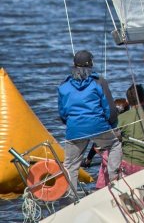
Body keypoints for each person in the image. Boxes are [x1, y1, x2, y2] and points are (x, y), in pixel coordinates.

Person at [57, 50, 122, 195]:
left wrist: (72, 124)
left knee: (70, 164)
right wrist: (112, 125)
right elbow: (110, 109)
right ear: (91, 65)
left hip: (74, 129)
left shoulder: (63, 86)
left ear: (74, 65)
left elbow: (62, 113)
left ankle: (71, 196)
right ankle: (113, 178)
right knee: (115, 145)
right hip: (98, 126)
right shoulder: (99, 81)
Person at [82, 98, 129, 168]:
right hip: (123, 155)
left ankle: (88, 161)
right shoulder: (127, 124)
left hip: (111, 155)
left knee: (97, 143)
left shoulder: (111, 124)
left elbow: (96, 146)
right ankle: (88, 160)